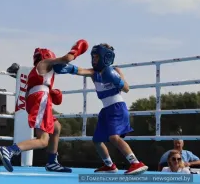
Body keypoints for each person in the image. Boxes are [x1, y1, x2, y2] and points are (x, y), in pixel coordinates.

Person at [52, 43, 148, 175]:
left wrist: (117, 80)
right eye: (93, 56)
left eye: (97, 57)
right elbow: (80, 71)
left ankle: (136, 163)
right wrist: (67, 68)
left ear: (105, 57)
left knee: (114, 137)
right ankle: (109, 165)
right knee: (97, 140)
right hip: (106, 110)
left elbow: (126, 88)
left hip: (117, 107)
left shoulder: (116, 71)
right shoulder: (93, 73)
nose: (94, 59)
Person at [0, 39, 89, 173]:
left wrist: (91, 72)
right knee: (43, 140)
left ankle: (52, 161)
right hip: (41, 99)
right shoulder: (44, 63)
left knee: (56, 127)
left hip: (37, 99)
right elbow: (67, 58)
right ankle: (9, 150)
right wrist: (76, 49)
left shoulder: (40, 73)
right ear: (48, 57)